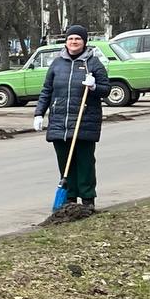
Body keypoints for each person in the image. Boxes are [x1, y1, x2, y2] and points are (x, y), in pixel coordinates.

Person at [33, 25, 109, 209]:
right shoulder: (57, 64)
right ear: (66, 41)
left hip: (84, 121)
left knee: (85, 162)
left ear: (84, 42)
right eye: (70, 39)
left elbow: (106, 90)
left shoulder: (93, 64)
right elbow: (47, 90)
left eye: (78, 39)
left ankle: (88, 199)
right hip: (60, 122)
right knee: (65, 162)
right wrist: (39, 113)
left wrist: (93, 87)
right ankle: (69, 199)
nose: (74, 42)